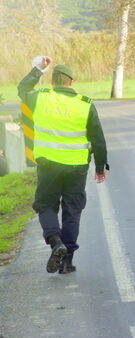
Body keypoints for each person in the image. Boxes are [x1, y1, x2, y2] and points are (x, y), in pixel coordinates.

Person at [18, 56, 108, 274]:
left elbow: (22, 88)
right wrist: (100, 167)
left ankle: (55, 241)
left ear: (53, 81)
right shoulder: (84, 104)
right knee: (72, 210)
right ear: (71, 82)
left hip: (48, 165)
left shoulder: (41, 98)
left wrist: (38, 69)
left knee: (45, 205)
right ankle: (67, 261)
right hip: (76, 167)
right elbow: (98, 139)